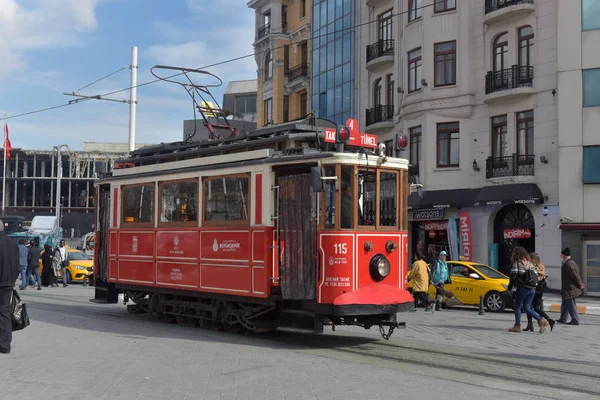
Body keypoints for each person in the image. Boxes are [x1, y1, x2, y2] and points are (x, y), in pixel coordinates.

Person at [508, 246, 548, 333]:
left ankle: (517, 326)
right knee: (527, 308)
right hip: (532, 289)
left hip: (522, 289)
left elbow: (513, 277)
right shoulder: (530, 264)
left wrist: (509, 288)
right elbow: (536, 275)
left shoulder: (517, 264)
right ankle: (541, 320)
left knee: (518, 307)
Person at [0, 220, 21, 354]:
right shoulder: (13, 243)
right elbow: (17, 265)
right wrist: (12, 279)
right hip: (7, 284)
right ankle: (5, 344)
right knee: (4, 313)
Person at [524, 253, 555, 332]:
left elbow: (533, 278)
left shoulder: (532, 267)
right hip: (540, 290)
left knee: (529, 307)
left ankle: (531, 324)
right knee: (536, 308)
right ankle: (549, 320)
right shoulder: (542, 266)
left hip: (533, 289)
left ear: (533, 259)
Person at [557, 247, 584, 326]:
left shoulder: (569, 264)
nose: (560, 256)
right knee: (565, 304)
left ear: (564, 255)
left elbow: (575, 275)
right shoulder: (571, 263)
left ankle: (575, 320)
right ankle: (563, 319)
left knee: (571, 305)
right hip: (567, 288)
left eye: (561, 255)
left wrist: (580, 284)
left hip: (570, 289)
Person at [408, 248, 435, 313]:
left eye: (415, 255)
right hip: (425, 281)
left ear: (417, 256)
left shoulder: (416, 263)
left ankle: (430, 304)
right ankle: (414, 307)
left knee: (419, 294)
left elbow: (413, 273)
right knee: (416, 294)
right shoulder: (424, 263)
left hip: (419, 281)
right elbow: (429, 271)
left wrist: (408, 279)